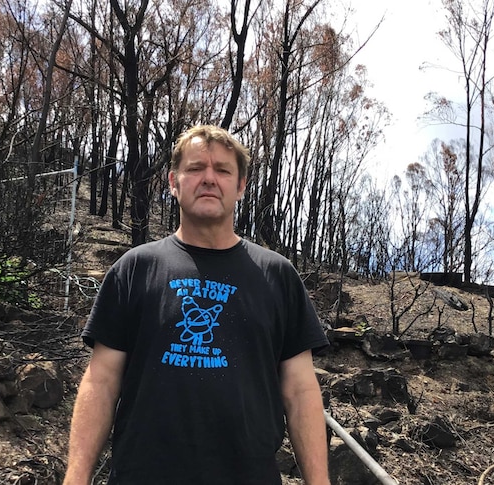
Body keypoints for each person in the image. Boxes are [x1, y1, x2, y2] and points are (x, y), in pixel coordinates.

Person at [63, 125, 331, 485]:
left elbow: (300, 391)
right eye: (195, 169)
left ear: (240, 186)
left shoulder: (277, 276)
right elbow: (102, 380)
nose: (208, 179)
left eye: (222, 170)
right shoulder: (135, 269)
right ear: (173, 183)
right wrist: (75, 477)